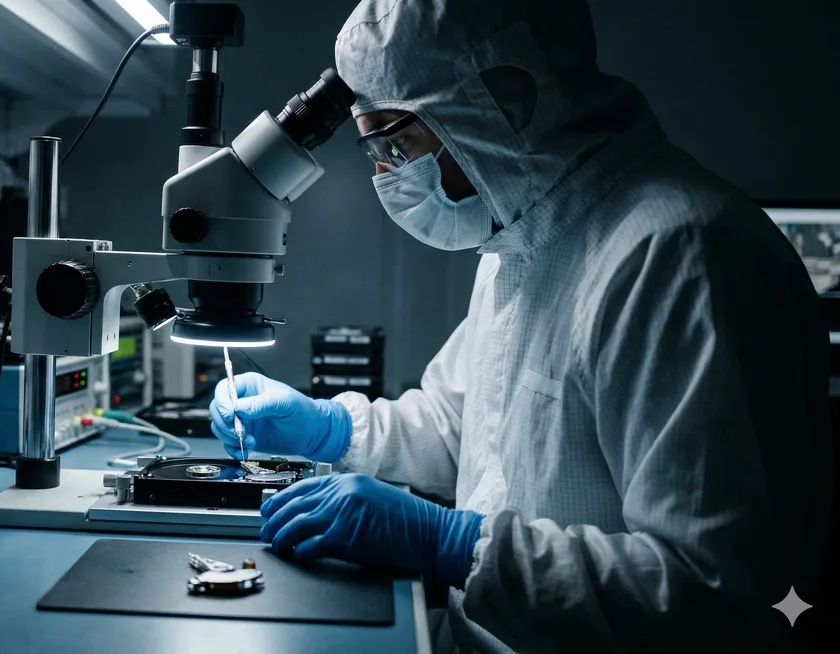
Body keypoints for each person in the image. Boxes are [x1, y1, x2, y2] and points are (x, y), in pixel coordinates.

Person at [208, 0, 833, 651]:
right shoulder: (520, 234)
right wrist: (329, 427)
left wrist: (452, 545)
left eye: (396, 142)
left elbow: (709, 589)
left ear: (501, 101)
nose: (386, 172)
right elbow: (464, 424)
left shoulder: (680, 256)